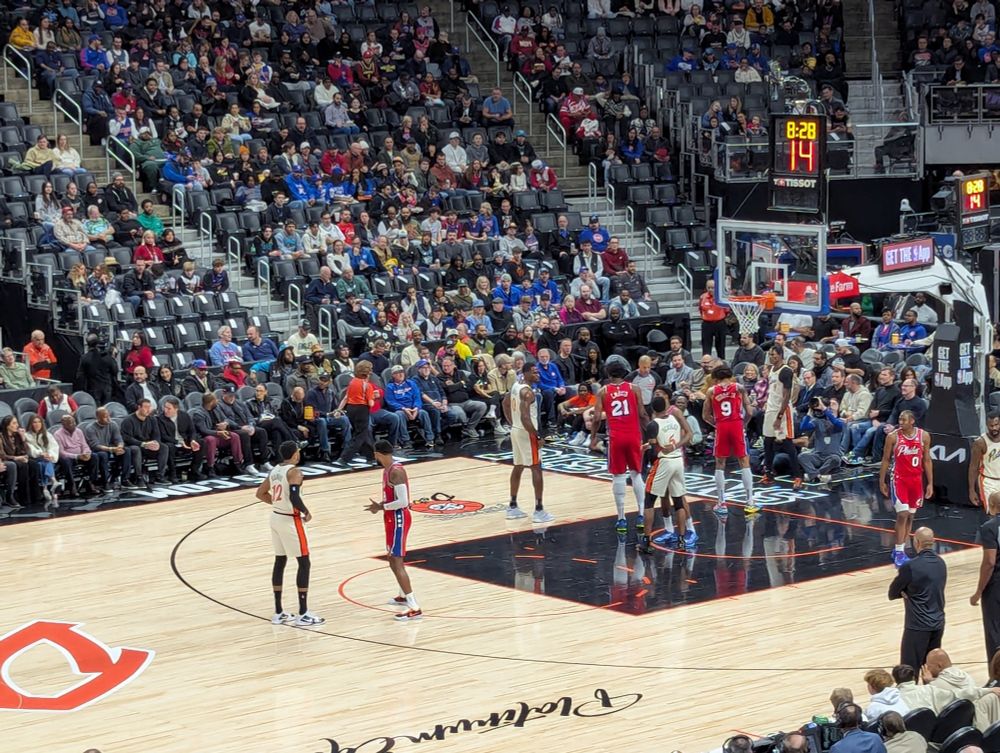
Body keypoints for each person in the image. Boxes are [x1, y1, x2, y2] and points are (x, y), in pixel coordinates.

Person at [256, 441, 324, 627]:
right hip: (289, 520)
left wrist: (278, 504)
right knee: (304, 562)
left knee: (280, 560)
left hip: (275, 518)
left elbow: (260, 493)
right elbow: (294, 496)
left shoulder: (275, 470)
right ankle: (303, 613)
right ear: (295, 454)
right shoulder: (295, 472)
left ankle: (279, 612)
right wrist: (306, 512)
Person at [365, 439, 422, 621]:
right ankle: (403, 595)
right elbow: (392, 498)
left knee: (397, 561)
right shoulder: (387, 470)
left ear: (377, 454)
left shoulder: (396, 472)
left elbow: (403, 502)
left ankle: (414, 606)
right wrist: (380, 506)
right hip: (391, 517)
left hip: (399, 518)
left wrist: (381, 507)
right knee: (392, 558)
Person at [590, 361, 648, 534]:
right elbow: (643, 414)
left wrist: (593, 436)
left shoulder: (603, 391)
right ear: (624, 373)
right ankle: (641, 515)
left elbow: (596, 418)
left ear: (608, 375)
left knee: (618, 475)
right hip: (633, 435)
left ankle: (621, 518)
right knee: (636, 474)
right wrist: (652, 433)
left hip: (616, 437)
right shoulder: (634, 388)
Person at [888, 527, 947, 673]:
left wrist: (905, 592)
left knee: (909, 671)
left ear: (917, 542)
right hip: (938, 624)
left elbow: (892, 592)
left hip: (917, 626)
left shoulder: (910, 566)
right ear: (933, 542)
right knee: (933, 671)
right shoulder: (941, 563)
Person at [880, 410, 933, 567]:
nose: (900, 422)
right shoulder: (893, 437)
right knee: (902, 514)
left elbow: (927, 460)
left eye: (903, 420)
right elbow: (885, 460)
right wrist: (881, 481)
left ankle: (901, 548)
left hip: (916, 480)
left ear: (912, 421)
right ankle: (898, 551)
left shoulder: (924, 436)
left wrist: (930, 483)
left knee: (910, 516)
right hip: (899, 479)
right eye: (899, 419)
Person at [641, 395, 694, 552]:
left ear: (652, 409)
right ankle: (682, 540)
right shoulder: (674, 419)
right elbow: (688, 434)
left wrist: (648, 455)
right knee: (678, 501)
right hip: (677, 460)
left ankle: (645, 541)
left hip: (663, 462)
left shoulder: (653, 425)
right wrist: (675, 446)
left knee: (649, 500)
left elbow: (653, 449)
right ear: (666, 406)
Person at [702, 365, 756, 516]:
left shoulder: (711, 391)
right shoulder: (739, 387)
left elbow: (705, 416)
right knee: (744, 462)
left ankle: (721, 503)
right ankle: (750, 502)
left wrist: (717, 424)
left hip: (722, 426)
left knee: (720, 464)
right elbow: (750, 411)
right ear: (730, 376)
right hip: (736, 425)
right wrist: (743, 424)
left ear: (716, 378)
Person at [502, 362, 553, 524]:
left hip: (516, 430)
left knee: (518, 466)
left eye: (538, 372)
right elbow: (525, 418)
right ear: (525, 373)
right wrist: (537, 436)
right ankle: (539, 510)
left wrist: (511, 422)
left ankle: (512, 506)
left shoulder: (516, 385)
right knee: (536, 467)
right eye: (534, 372)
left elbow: (505, 403)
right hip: (526, 432)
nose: (537, 375)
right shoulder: (528, 393)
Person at [761, 346, 802, 489]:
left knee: (787, 444)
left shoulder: (786, 371)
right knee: (768, 442)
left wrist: (779, 416)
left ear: (780, 355)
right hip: (770, 409)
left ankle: (798, 476)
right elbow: (774, 391)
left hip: (783, 412)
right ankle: (768, 474)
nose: (771, 357)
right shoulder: (772, 369)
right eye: (770, 354)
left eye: (774, 355)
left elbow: (786, 396)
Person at [972, 491, 1000, 663]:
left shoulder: (989, 527)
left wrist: (979, 591)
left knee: (994, 630)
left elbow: (989, 562)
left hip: (996, 584)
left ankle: (997, 677)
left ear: (992, 505)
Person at [336, 360, 375, 466]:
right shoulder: (367, 385)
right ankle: (344, 458)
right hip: (362, 409)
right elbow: (371, 403)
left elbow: (345, 398)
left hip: (351, 409)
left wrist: (338, 410)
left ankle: (371, 457)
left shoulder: (352, 382)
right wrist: (374, 396)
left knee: (364, 433)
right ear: (367, 372)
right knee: (359, 435)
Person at [970, 412, 1000, 510]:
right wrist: (972, 490)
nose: (994, 428)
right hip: (989, 482)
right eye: (991, 426)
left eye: (996, 425)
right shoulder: (980, 442)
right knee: (992, 512)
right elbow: (973, 467)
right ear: (987, 425)